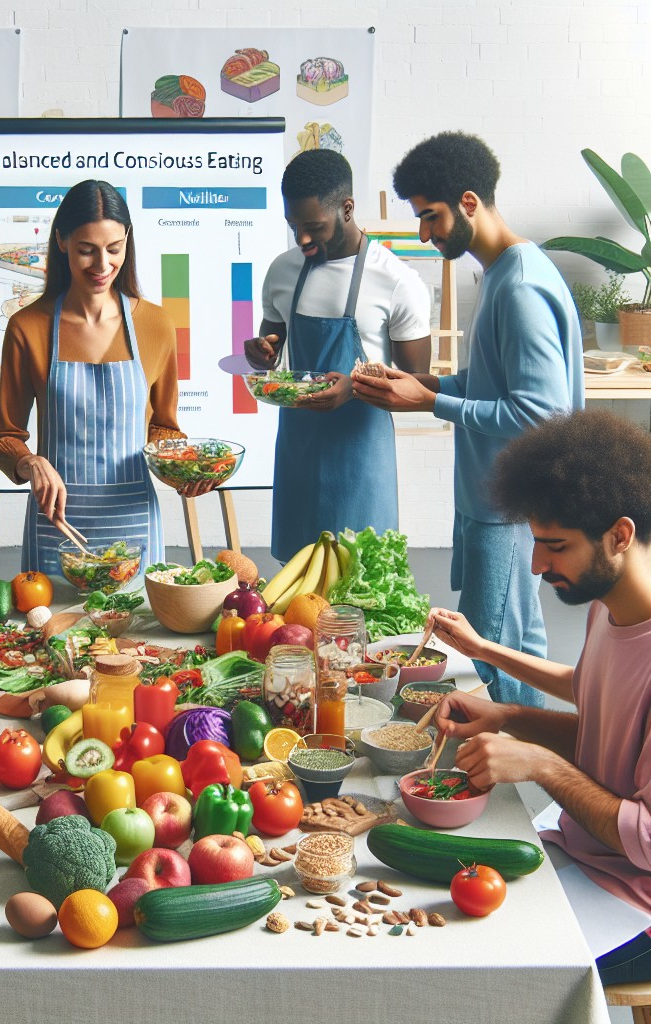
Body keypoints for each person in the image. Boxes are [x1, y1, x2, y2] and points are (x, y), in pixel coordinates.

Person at [352, 131, 584, 706]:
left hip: (505, 506)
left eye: (430, 217)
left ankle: (511, 782)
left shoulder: (520, 288)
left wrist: (430, 403)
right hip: (502, 498)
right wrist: (423, 383)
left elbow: (540, 413)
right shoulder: (506, 271)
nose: (425, 235)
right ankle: (531, 778)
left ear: (470, 202)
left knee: (488, 654)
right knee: (519, 647)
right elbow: (496, 388)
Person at [427, 408, 651, 985]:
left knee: (463, 976)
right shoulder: (610, 601)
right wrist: (503, 707)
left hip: (633, 907)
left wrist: (544, 767)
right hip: (578, 852)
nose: (535, 564)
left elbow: (646, 842)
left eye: (554, 546)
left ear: (619, 535)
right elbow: (597, 699)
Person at [0, 179, 189, 575]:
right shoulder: (28, 327)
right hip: (56, 528)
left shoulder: (157, 325)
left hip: (134, 528)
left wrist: (183, 469)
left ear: (127, 241)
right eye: (86, 251)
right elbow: (3, 437)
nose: (102, 265)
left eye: (114, 249)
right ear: (61, 242)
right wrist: (29, 462)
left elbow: (164, 428)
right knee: (54, 635)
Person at [244, 149, 432, 562]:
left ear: (347, 209)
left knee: (361, 581)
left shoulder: (398, 281)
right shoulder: (282, 271)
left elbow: (419, 382)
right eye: (294, 227)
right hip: (298, 454)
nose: (302, 240)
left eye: (313, 227)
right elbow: (271, 347)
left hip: (361, 460)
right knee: (296, 594)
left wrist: (356, 387)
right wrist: (260, 352)